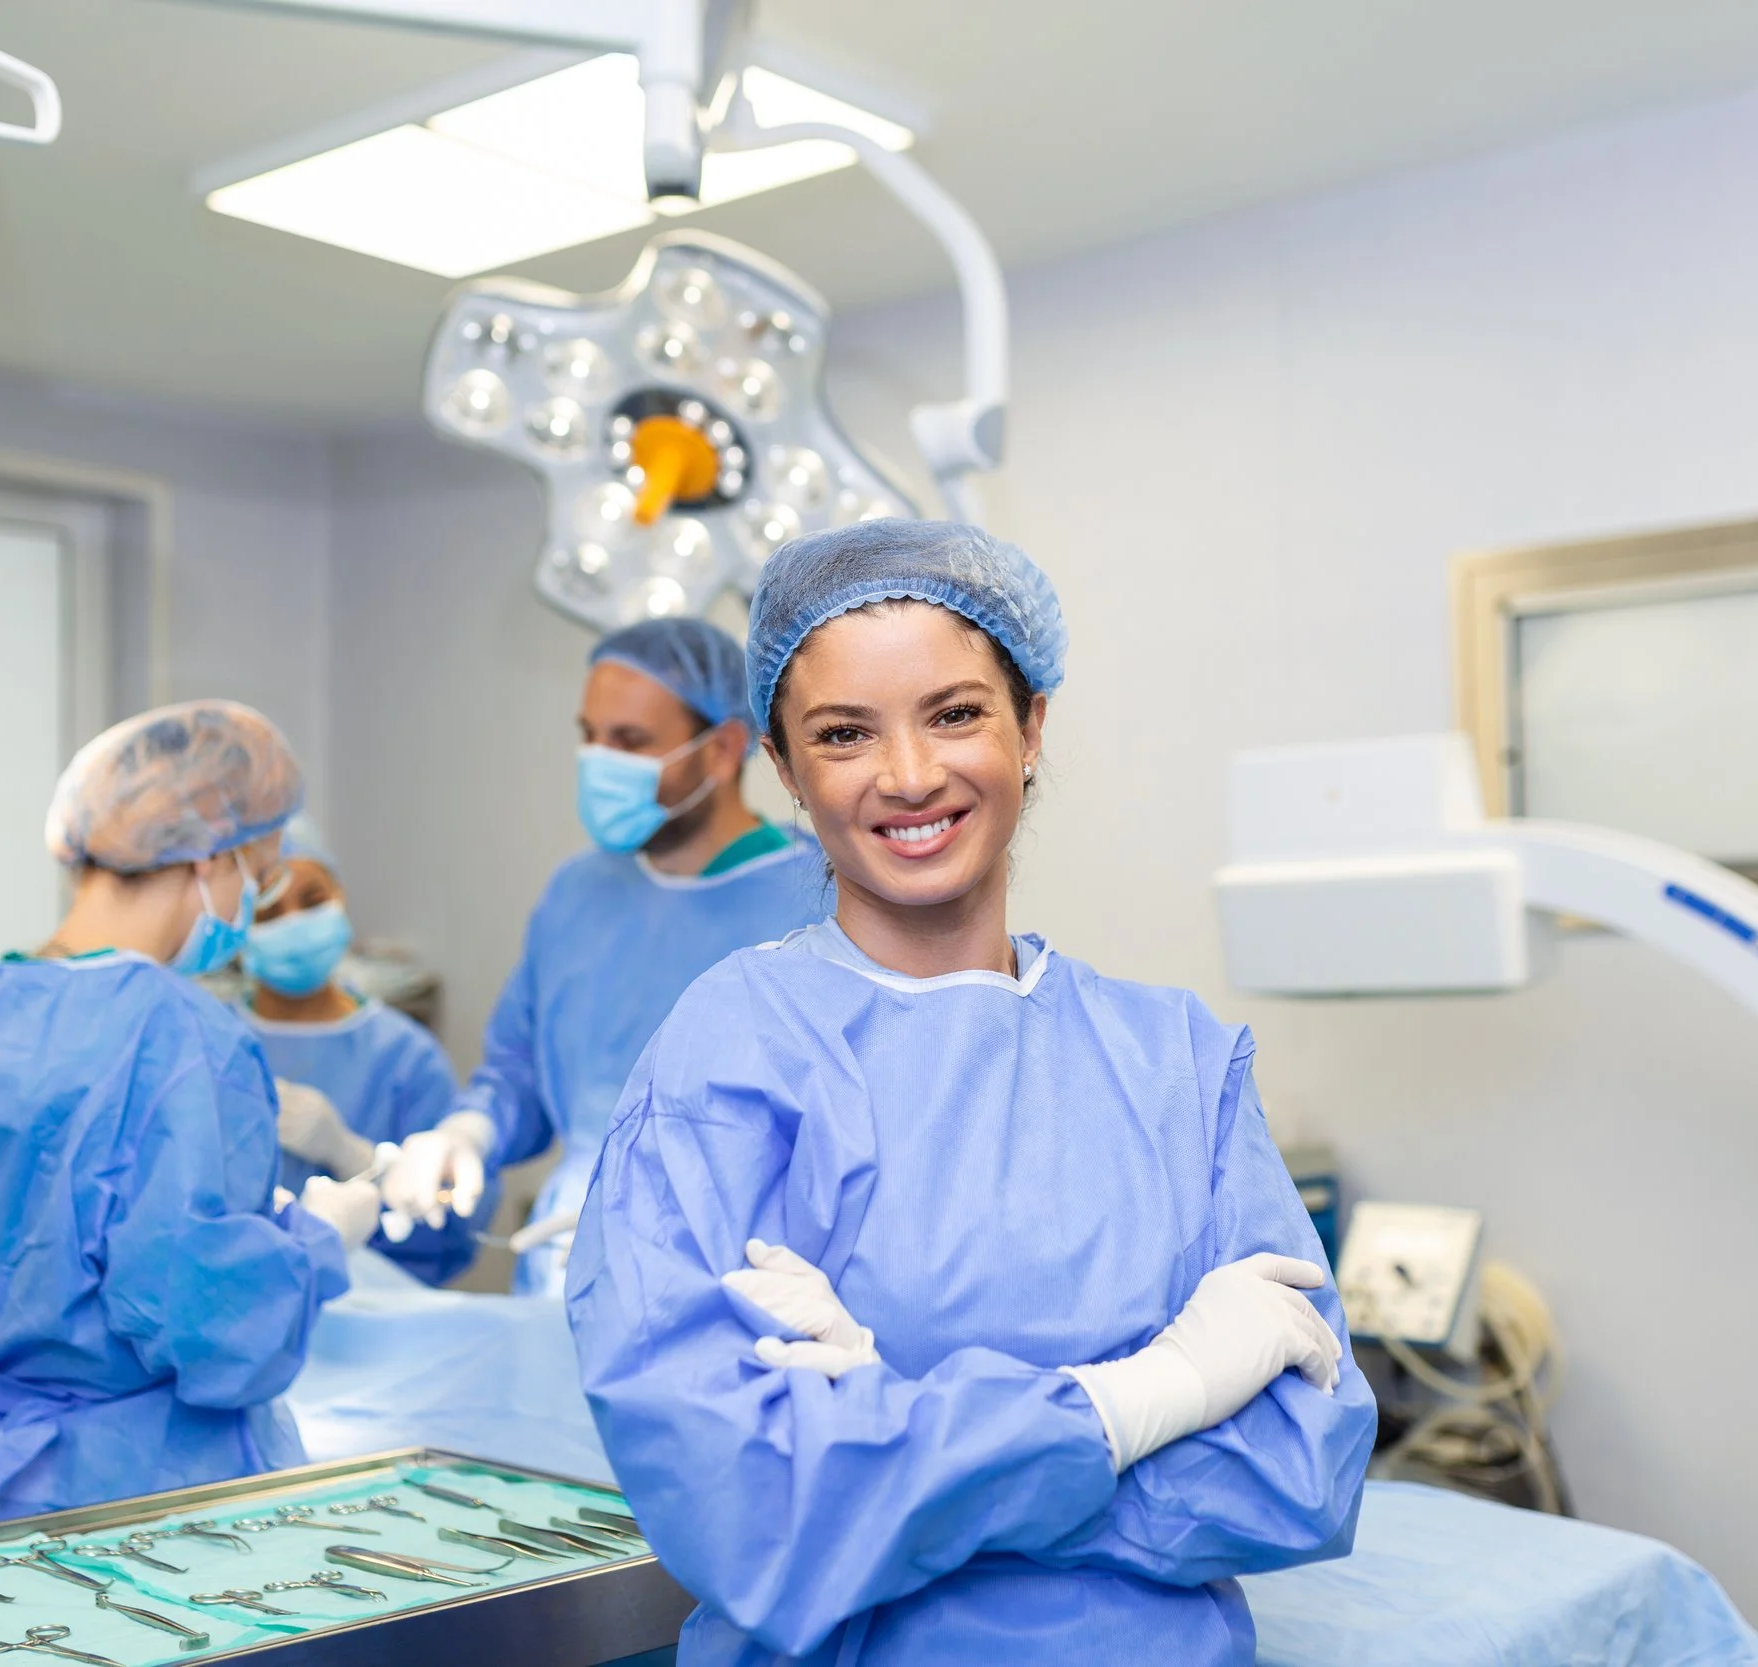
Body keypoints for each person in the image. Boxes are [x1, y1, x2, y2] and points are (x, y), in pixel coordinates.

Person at [567, 521, 1376, 1666]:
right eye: (844, 734)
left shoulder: (1176, 1061)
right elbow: (750, 1513)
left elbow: (1303, 1470)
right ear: (789, 772)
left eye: (955, 712)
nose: (909, 775)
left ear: (1032, 723)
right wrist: (1150, 1392)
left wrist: (901, 1435)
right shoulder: (732, 1056)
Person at [0, 701, 381, 1535]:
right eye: (260, 871)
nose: (254, 902)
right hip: (134, 1505)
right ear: (211, 855)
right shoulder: (176, 1032)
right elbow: (208, 1326)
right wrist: (317, 1243)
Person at [382, 616, 827, 1295]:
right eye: (589, 735)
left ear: (722, 748)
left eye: (629, 741)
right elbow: (520, 1070)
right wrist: (468, 1132)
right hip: (563, 1262)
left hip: (737, 1289)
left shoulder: (815, 903)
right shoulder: (578, 894)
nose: (598, 761)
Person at [244, 817, 490, 1286]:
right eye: (268, 911)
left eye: (313, 901)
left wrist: (357, 1157)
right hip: (246, 1313)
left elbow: (453, 1234)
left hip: (383, 1320)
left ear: (341, 897)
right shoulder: (212, 1045)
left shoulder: (405, 1056)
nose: (294, 922)